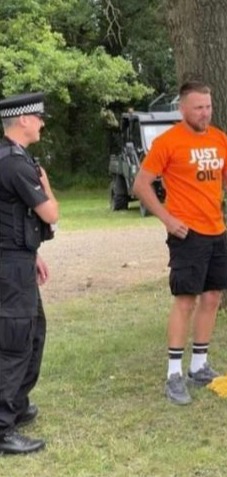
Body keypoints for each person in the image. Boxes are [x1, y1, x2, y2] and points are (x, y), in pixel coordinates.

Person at [133, 80, 227, 405]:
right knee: (185, 300)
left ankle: (199, 365)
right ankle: (174, 374)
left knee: (212, 296)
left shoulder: (220, 138)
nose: (205, 113)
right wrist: (168, 219)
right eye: (198, 107)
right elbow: (141, 185)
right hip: (187, 235)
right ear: (182, 108)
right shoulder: (168, 142)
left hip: (216, 231)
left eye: (208, 107)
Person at [0, 92, 59, 454]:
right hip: (9, 268)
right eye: (37, 117)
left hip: (17, 259)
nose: (41, 122)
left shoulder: (13, 158)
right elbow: (50, 213)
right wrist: (47, 184)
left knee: (33, 332)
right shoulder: (16, 164)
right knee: (14, 343)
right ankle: (3, 428)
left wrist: (32, 252)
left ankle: (17, 406)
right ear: (22, 120)